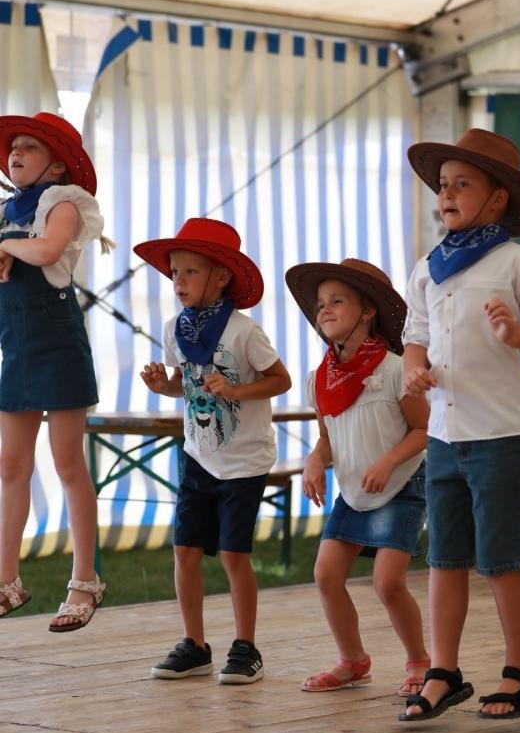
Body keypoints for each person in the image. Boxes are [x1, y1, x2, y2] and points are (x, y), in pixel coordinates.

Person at [399, 128, 520, 722]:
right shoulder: (427, 267)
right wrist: (415, 371)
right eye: (443, 185)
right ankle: (444, 670)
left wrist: (516, 334)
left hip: (501, 434)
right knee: (444, 559)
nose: (447, 194)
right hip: (444, 435)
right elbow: (413, 337)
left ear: (498, 199)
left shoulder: (519, 262)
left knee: (502, 560)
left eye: (462, 184)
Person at [135, 218, 291, 684]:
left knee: (232, 554)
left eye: (189, 272)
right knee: (183, 549)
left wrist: (236, 390)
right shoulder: (173, 329)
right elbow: (187, 386)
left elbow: (279, 380)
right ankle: (195, 643)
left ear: (221, 276)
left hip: (244, 462)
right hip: (199, 455)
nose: (178, 282)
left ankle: (245, 647)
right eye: (174, 273)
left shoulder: (244, 332)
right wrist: (166, 386)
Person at [285, 258, 430, 695]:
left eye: (337, 301)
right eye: (320, 303)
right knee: (327, 575)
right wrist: (314, 459)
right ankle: (353, 661)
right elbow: (327, 438)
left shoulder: (393, 370)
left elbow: (425, 430)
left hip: (401, 486)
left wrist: (387, 462)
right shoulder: (319, 380)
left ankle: (420, 663)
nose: (323, 309)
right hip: (353, 492)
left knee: (387, 582)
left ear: (368, 311)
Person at [0, 111, 110, 632]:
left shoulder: (62, 201)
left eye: (30, 147)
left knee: (68, 464)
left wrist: (4, 247)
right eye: (12, 147)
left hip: (59, 343)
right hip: (17, 350)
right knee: (10, 467)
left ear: (58, 164)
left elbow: (45, 252)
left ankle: (84, 581)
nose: (15, 153)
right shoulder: (5, 211)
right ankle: (7, 580)